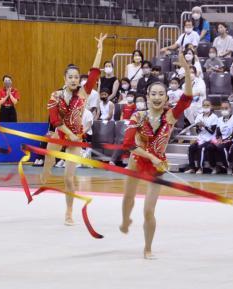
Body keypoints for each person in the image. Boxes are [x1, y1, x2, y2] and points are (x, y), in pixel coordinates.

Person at [119, 52, 193, 259]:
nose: (158, 97)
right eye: (154, 94)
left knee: (149, 211)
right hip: (138, 159)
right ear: (147, 96)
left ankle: (147, 247)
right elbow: (128, 145)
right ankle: (125, 220)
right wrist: (151, 156)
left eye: (161, 94)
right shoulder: (138, 116)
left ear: (167, 97)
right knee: (128, 197)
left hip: (157, 165)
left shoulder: (170, 116)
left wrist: (186, 70)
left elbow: (187, 98)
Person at [41, 33, 107, 225]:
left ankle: (69, 212)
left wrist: (100, 49)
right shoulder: (55, 96)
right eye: (70, 77)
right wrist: (70, 134)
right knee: (49, 157)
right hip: (61, 134)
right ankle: (46, 171)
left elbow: (94, 72)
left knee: (69, 179)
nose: (73, 80)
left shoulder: (84, 93)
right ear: (64, 78)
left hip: (75, 139)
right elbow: (55, 121)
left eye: (76, 77)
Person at [184, 100, 218, 174]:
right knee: (191, 148)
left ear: (211, 106)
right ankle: (192, 168)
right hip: (201, 139)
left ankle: (200, 168)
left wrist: (204, 126)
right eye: (204, 105)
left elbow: (212, 131)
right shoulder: (199, 116)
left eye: (207, 105)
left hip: (210, 139)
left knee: (201, 148)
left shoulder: (214, 117)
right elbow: (197, 131)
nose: (206, 107)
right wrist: (198, 127)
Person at [206, 101, 233, 174]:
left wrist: (226, 140)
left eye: (226, 108)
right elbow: (218, 132)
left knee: (221, 147)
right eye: (222, 108)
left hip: (231, 140)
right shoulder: (219, 119)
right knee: (209, 147)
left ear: (230, 108)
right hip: (223, 140)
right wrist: (219, 139)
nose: (224, 110)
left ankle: (228, 167)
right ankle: (214, 167)